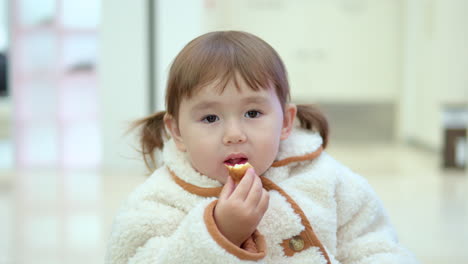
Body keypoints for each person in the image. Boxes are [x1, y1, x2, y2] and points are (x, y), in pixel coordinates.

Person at [105, 31, 418, 264]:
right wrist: (219, 232)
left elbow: (374, 244)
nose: (234, 134)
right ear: (178, 132)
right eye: (210, 117)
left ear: (285, 121)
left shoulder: (326, 177)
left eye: (252, 113)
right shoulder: (160, 200)